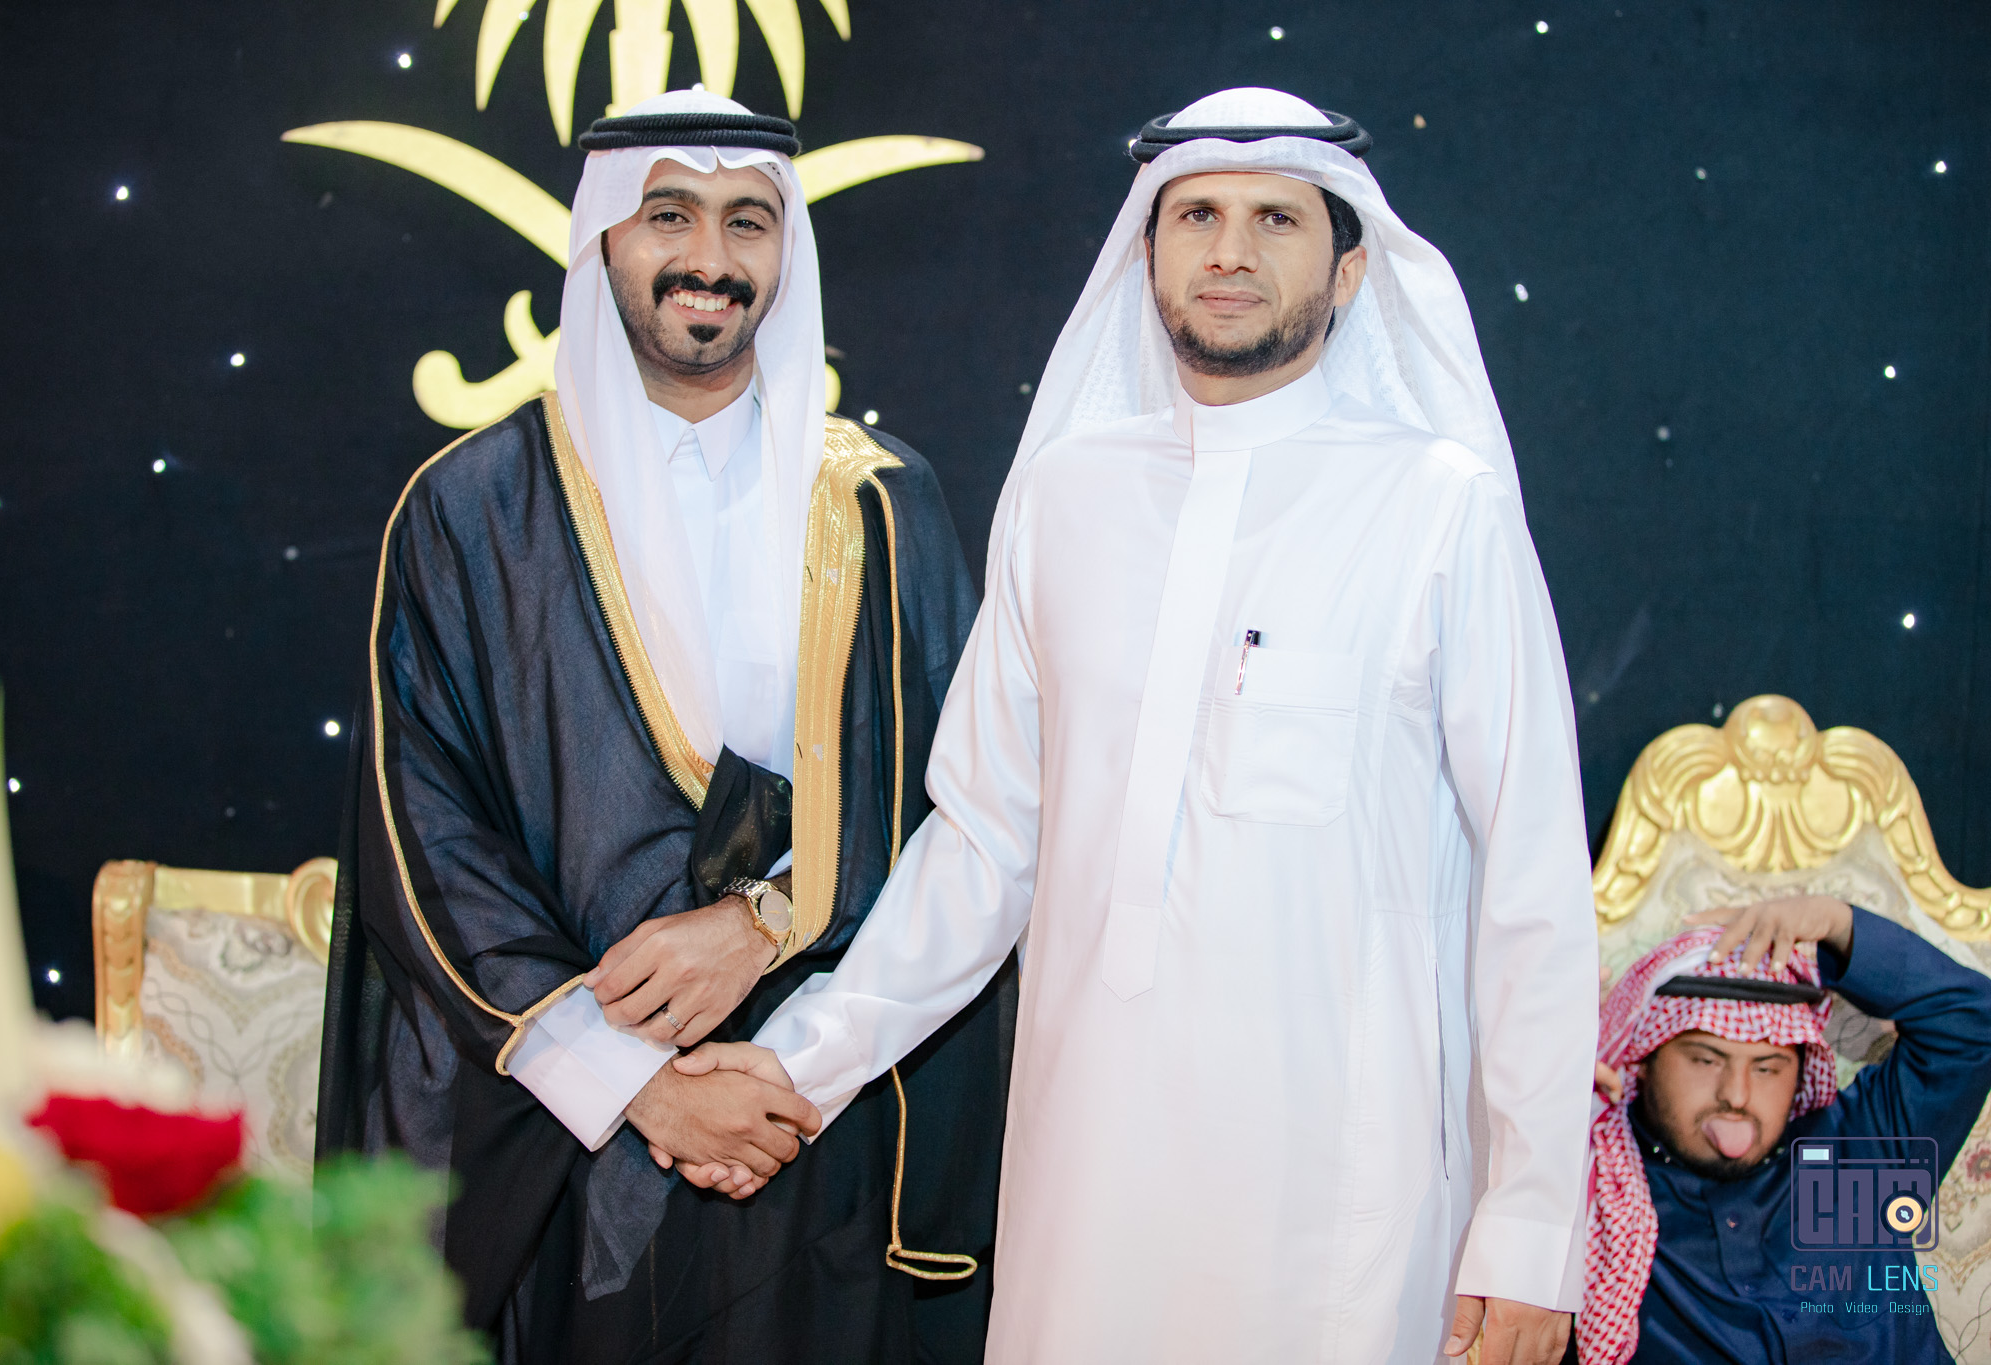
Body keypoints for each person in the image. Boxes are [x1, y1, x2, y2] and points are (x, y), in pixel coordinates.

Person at [678, 86, 1599, 1364]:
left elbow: (1531, 890)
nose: (1229, 251)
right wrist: (801, 1064)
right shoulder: (1064, 496)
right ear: (1147, 250)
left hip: (1344, 1198)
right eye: (1196, 215)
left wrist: (1530, 1226)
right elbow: (984, 843)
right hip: (1087, 1176)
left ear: (1347, 269)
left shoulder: (1439, 508)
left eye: (1275, 219)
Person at [312, 90, 1009, 1363]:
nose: (709, 256)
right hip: (558, 1132)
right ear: (604, 240)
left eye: (748, 221)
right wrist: (632, 1084)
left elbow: (957, 805)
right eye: (668, 215)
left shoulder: (884, 505)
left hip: (807, 1117)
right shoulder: (470, 507)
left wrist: (762, 930)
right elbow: (427, 841)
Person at [1579, 896, 1991, 1365]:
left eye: (1767, 1068)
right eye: (1706, 1060)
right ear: (1644, 1059)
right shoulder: (1597, 1187)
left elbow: (1973, 1023)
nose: (1736, 1095)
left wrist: (1837, 923)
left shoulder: (1866, 1145)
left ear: (1800, 1070)